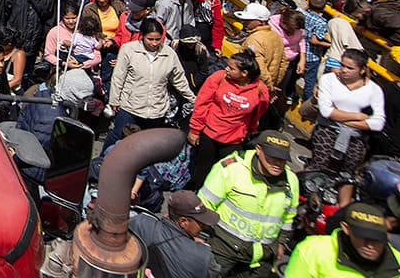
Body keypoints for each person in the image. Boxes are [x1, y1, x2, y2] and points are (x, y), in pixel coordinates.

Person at [199, 130, 300, 278]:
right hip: (223, 249)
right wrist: (201, 236)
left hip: (262, 256)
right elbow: (205, 204)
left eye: (282, 159)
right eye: (272, 157)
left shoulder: (291, 181)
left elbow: (288, 216)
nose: (278, 164)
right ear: (258, 150)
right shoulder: (231, 169)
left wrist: (281, 242)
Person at [308, 47, 386, 204]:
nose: (343, 70)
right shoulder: (329, 79)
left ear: (363, 70)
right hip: (327, 131)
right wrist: (359, 117)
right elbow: (326, 111)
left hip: (355, 137)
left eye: (350, 68)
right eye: (342, 65)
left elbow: (378, 122)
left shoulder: (374, 90)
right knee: (318, 166)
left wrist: (341, 117)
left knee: (347, 174)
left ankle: (343, 208)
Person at [105, 18, 196, 150]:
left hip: (156, 110)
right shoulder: (128, 50)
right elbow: (118, 77)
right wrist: (114, 100)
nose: (154, 43)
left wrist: (193, 99)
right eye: (150, 39)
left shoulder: (169, 54)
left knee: (146, 145)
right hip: (130, 107)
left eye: (157, 39)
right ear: (142, 36)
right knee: (117, 137)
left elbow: (179, 79)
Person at [187, 50, 270, 192]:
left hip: (234, 140)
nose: (226, 69)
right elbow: (202, 104)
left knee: (225, 174)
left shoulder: (259, 89)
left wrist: (250, 131)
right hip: (209, 135)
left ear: (244, 73)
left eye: (231, 68)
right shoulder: (218, 78)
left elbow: (258, 112)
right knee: (202, 171)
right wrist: (195, 130)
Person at [285, 201, 400, 277]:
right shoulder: (313, 252)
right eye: (363, 237)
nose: (370, 245)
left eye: (377, 239)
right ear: (346, 229)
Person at [128, 190, 222, 278]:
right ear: (183, 221)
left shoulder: (140, 222)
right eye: (200, 222)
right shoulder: (204, 256)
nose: (204, 226)